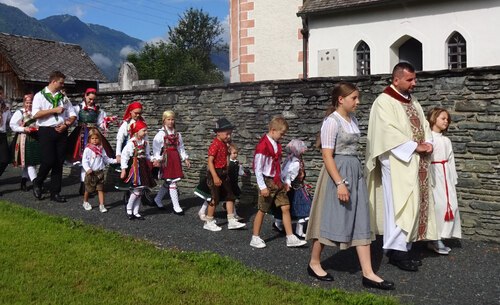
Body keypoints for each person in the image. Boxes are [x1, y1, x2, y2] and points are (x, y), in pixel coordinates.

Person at [306, 82, 394, 290]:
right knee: (329, 218)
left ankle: (368, 273)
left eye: (357, 98)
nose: (358, 102)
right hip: (337, 173)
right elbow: (327, 156)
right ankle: (314, 262)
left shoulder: (352, 119)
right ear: (341, 99)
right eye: (354, 98)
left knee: (361, 217)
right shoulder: (331, 122)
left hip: (354, 171)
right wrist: (339, 183)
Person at [365, 62, 437, 272]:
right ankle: (397, 251)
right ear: (396, 79)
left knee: (413, 204)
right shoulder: (383, 102)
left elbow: (424, 125)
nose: (414, 83)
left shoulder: (412, 101)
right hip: (397, 161)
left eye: (414, 79)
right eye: (410, 79)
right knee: (400, 204)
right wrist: (416, 146)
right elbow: (386, 132)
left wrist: (429, 142)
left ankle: (402, 247)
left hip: (416, 161)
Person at [250, 116, 307, 249]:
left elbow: (279, 165)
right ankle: (255, 237)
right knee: (262, 209)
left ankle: (290, 237)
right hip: (267, 181)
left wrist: (285, 180)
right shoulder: (263, 146)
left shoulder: (277, 144)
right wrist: (262, 186)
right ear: (273, 130)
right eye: (281, 134)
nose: (282, 137)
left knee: (285, 206)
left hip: (277, 180)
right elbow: (257, 168)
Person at [31, 71, 77, 202]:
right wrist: (54, 110)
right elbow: (35, 114)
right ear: (53, 81)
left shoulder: (63, 97)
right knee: (48, 160)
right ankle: (38, 182)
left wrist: (67, 124)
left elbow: (73, 114)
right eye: (61, 82)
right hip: (46, 130)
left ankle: (55, 193)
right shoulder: (39, 96)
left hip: (61, 130)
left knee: (58, 162)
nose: (63, 85)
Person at [427, 107, 462, 254]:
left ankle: (443, 235)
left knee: (451, 205)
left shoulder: (446, 140)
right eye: (443, 118)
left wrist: (452, 178)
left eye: (447, 119)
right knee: (438, 206)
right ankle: (435, 239)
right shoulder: (428, 138)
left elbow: (450, 160)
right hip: (434, 174)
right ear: (434, 119)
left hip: (445, 175)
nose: (446, 121)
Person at [67, 88, 114, 195]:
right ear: (85, 96)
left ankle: (86, 187)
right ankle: (84, 186)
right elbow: (72, 120)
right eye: (90, 99)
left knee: (93, 159)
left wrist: (105, 123)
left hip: (94, 134)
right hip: (81, 135)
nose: (91, 101)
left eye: (93, 99)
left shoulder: (98, 110)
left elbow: (100, 123)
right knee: (84, 160)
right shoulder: (78, 108)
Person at [203, 118, 246, 231]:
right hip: (215, 173)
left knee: (230, 195)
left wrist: (226, 168)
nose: (229, 136)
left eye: (230, 134)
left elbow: (226, 157)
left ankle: (231, 220)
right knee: (214, 198)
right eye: (227, 134)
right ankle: (209, 220)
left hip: (223, 173)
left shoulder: (224, 144)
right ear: (218, 132)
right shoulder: (215, 145)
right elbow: (210, 162)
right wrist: (215, 176)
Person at [152, 110, 190, 214]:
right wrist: (157, 159)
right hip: (166, 159)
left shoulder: (177, 134)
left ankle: (157, 199)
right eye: (168, 119)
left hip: (175, 158)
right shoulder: (160, 134)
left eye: (172, 119)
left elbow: (181, 147)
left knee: (169, 181)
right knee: (172, 181)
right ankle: (176, 206)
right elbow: (155, 148)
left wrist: (185, 158)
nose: (171, 122)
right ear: (164, 120)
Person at [120, 120, 156, 220]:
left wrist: (154, 159)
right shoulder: (131, 143)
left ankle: (135, 211)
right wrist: (123, 169)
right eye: (144, 130)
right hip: (135, 168)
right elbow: (124, 156)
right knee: (136, 190)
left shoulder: (145, 143)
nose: (146, 132)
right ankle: (129, 208)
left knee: (140, 190)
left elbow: (148, 155)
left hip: (143, 167)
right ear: (137, 131)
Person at [279, 139, 311, 238]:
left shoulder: (294, 159)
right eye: (302, 148)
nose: (304, 150)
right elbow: (288, 174)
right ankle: (298, 230)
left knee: (296, 208)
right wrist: (288, 183)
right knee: (304, 209)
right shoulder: (295, 162)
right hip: (297, 189)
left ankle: (279, 224)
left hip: (299, 187)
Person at [81, 128, 117, 213]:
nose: (94, 140)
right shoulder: (88, 149)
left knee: (100, 189)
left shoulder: (101, 148)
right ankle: (85, 202)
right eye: (92, 138)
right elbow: (84, 161)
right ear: (89, 139)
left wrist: (115, 160)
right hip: (91, 173)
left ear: (99, 139)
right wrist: (87, 169)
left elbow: (105, 158)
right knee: (88, 190)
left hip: (100, 172)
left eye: (96, 138)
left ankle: (102, 205)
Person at [9, 93, 40, 191]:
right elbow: (12, 125)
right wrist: (23, 129)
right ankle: (36, 184)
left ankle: (23, 182)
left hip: (35, 138)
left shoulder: (36, 113)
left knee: (30, 162)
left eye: (31, 103)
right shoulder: (20, 112)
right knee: (30, 162)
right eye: (27, 103)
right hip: (24, 139)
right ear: (24, 103)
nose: (29, 105)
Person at [0, 85, 12, 188]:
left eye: (1, 93)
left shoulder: (6, 107)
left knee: (5, 160)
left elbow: (10, 121)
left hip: (2, 135)